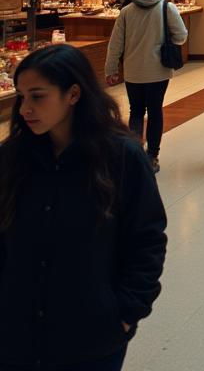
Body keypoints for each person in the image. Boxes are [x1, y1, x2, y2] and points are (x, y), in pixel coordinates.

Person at [0, 44, 167, 371]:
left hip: (91, 336)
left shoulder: (121, 159)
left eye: (38, 96)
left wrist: (124, 313)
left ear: (73, 94)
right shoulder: (12, 159)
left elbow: (146, 240)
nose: (24, 109)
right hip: (16, 334)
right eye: (21, 96)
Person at [104, 0, 188, 173]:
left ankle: (135, 155)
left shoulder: (126, 11)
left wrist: (111, 69)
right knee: (155, 111)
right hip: (158, 70)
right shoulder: (167, 8)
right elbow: (182, 36)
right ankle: (152, 156)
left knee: (136, 112)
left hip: (133, 71)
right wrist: (166, 42)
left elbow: (116, 43)